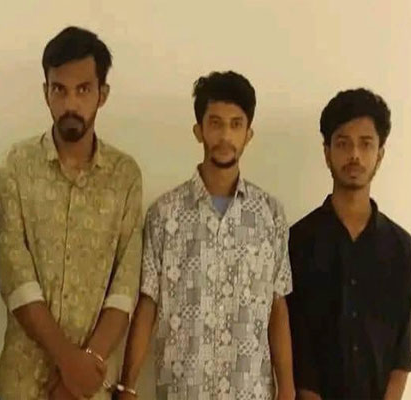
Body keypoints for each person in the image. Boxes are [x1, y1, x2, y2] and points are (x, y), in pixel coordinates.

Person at [118, 71, 294, 400]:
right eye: (215, 123)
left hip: (250, 392)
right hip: (183, 389)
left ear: (249, 134)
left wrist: (287, 388)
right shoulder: (164, 214)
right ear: (199, 130)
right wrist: (127, 385)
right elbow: (147, 304)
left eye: (236, 124)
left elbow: (278, 305)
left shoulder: (270, 215)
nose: (225, 136)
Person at [0, 26, 143, 400]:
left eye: (83, 89)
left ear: (102, 94)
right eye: (59, 89)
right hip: (21, 384)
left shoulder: (124, 175)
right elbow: (15, 276)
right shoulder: (17, 165)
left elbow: (124, 287)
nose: (70, 103)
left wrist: (85, 367)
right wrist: (69, 362)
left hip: (90, 389)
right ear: (45, 92)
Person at [287, 88, 411, 399]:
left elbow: (402, 349)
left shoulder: (400, 247)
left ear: (380, 154)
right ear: (327, 152)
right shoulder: (298, 240)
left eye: (366, 143)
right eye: (343, 143)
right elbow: (294, 341)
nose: (354, 155)